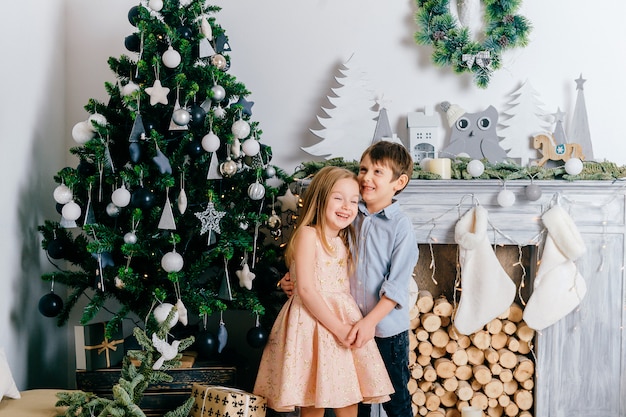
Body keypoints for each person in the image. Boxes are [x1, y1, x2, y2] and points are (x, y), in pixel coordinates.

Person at [280, 142, 419, 417]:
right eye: (363, 169)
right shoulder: (349, 216)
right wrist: (292, 278)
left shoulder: (401, 227)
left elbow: (396, 286)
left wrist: (369, 323)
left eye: (378, 172)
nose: (367, 177)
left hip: (386, 330)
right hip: (345, 325)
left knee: (396, 399)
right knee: (358, 395)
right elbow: (324, 260)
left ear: (398, 182)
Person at [254, 166, 394, 417]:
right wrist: (339, 328)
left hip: (343, 317)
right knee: (313, 398)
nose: (347, 206)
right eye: (338, 198)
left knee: (347, 393)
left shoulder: (343, 241)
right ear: (320, 199)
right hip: (312, 323)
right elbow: (306, 289)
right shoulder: (308, 235)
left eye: (354, 201)